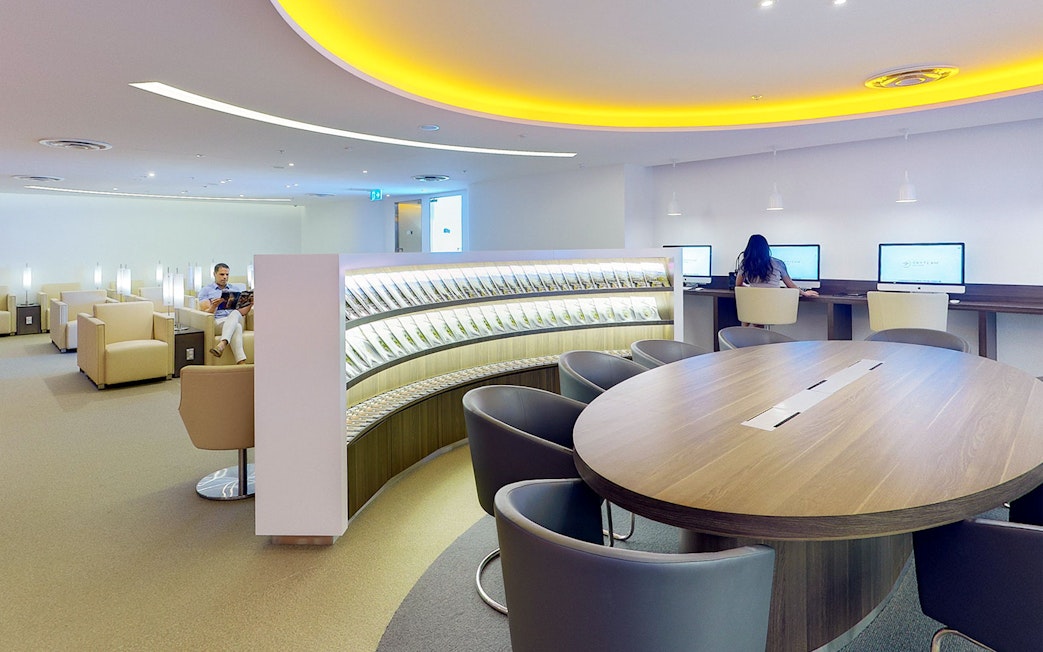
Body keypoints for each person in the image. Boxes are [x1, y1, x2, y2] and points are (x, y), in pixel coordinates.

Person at [197, 263, 253, 364]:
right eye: (222, 274)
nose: (225, 277)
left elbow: (242, 312)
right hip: (219, 321)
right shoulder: (206, 290)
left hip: (236, 317)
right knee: (237, 327)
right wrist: (214, 306)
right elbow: (206, 313)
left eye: (227, 275)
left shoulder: (235, 289)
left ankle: (222, 344)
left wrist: (251, 303)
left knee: (235, 313)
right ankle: (241, 363)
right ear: (214, 274)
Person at [735, 234, 818, 296]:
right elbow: (791, 285)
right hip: (775, 311)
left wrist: (752, 288)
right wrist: (805, 293)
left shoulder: (745, 264)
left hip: (753, 311)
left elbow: (738, 285)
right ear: (766, 248)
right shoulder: (778, 263)